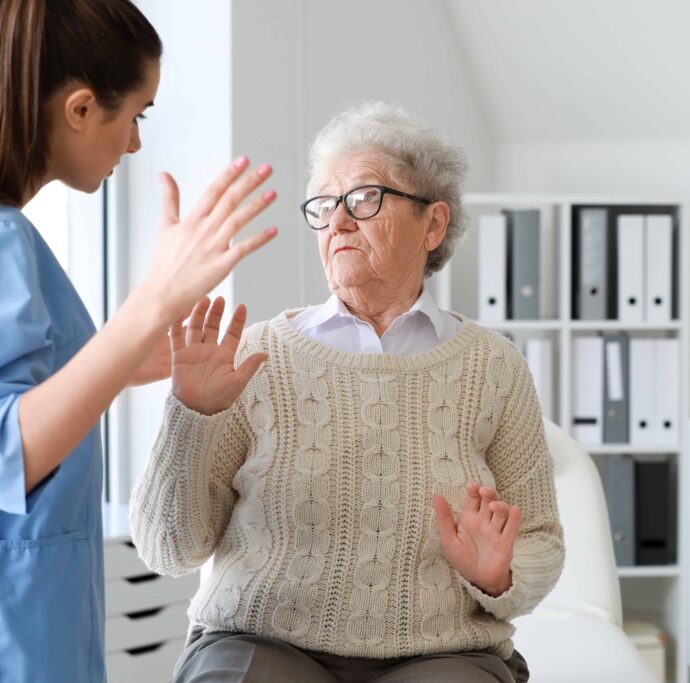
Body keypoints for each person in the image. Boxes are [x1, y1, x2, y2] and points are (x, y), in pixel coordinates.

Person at [130, 102, 565, 683]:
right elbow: (169, 552)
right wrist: (189, 415)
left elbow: (539, 538)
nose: (337, 221)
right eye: (325, 204)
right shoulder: (251, 355)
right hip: (262, 637)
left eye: (364, 198)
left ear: (433, 224)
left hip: (441, 651)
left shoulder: (494, 365)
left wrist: (497, 575)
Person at [0, 1, 278, 680]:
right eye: (137, 115)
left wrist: (124, 358)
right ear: (81, 109)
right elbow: (8, 449)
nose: (134, 144)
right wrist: (149, 304)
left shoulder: (19, 241)